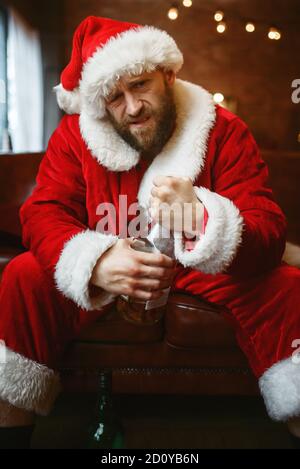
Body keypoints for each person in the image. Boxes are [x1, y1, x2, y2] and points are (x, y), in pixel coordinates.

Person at [0, 15, 299, 449]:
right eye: (115, 98)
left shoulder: (225, 131)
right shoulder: (76, 137)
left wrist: (201, 218)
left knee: (288, 286)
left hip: (201, 268)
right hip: (114, 261)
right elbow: (44, 211)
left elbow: (269, 230)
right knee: (23, 276)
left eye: (140, 85)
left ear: (168, 73)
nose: (132, 107)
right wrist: (96, 261)